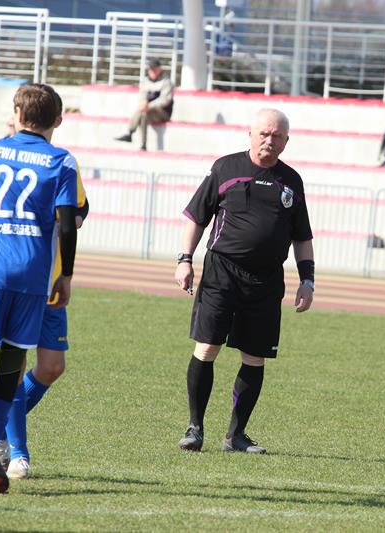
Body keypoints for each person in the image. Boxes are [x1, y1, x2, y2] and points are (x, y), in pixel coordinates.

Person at [174, 108, 315, 455]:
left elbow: (302, 237)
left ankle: (236, 436)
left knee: (255, 357)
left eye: (277, 136)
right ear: (250, 134)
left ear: (286, 141)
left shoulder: (292, 181)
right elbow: (196, 217)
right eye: (264, 133)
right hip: (221, 272)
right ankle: (195, 428)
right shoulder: (225, 168)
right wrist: (184, 259)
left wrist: (308, 279)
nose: (270, 141)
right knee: (207, 348)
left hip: (266, 281)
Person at [0, 84, 78, 494]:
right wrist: (66, 275)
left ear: (16, 113)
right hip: (32, 276)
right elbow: (68, 224)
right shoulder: (62, 160)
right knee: (11, 365)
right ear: (57, 120)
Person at [0, 165, 89, 480]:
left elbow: (81, 207)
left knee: (52, 367)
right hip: (17, 281)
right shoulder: (2, 155)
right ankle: (18, 454)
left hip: (50, 281)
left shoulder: (61, 164)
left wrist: (71, 219)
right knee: (14, 365)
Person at [114, 58, 174, 150]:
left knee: (144, 111)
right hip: (147, 111)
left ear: (159, 69)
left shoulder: (166, 82)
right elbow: (142, 96)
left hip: (163, 112)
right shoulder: (145, 81)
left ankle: (130, 133)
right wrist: (144, 103)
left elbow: (165, 100)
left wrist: (149, 105)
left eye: (154, 69)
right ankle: (142, 143)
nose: (152, 71)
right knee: (143, 113)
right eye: (150, 69)